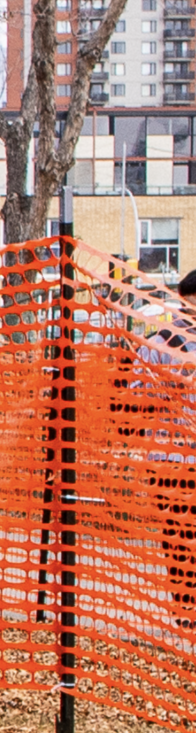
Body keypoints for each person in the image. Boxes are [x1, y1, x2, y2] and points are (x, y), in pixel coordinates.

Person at [139, 268, 196, 626]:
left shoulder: (161, 340)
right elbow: (134, 399)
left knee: (181, 536)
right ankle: (186, 610)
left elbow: (133, 399)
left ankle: (186, 610)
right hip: (172, 459)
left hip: (173, 457)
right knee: (179, 536)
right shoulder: (163, 341)